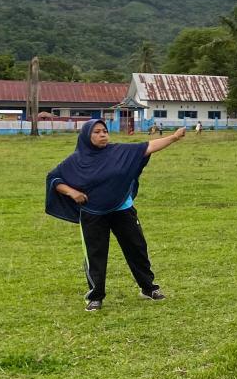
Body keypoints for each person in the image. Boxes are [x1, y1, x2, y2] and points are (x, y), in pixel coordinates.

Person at [45, 119, 185, 311]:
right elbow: (54, 178)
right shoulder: (75, 161)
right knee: (96, 254)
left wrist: (175, 137)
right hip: (92, 214)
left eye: (104, 131)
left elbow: (149, 146)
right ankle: (96, 296)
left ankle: (148, 288)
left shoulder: (119, 151)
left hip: (123, 209)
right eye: (96, 132)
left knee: (137, 248)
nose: (102, 135)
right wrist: (72, 192)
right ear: (86, 136)